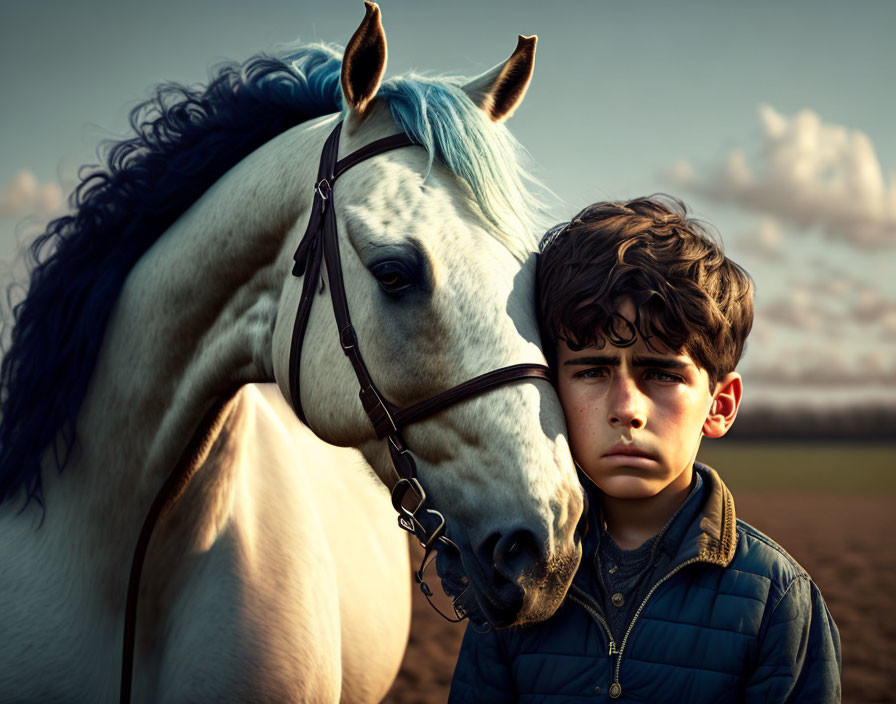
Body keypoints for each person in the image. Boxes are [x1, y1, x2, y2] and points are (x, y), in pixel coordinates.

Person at [447, 196, 841, 703]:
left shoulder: (777, 599)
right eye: (592, 370)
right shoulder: (515, 577)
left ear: (719, 404)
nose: (627, 407)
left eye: (661, 373)